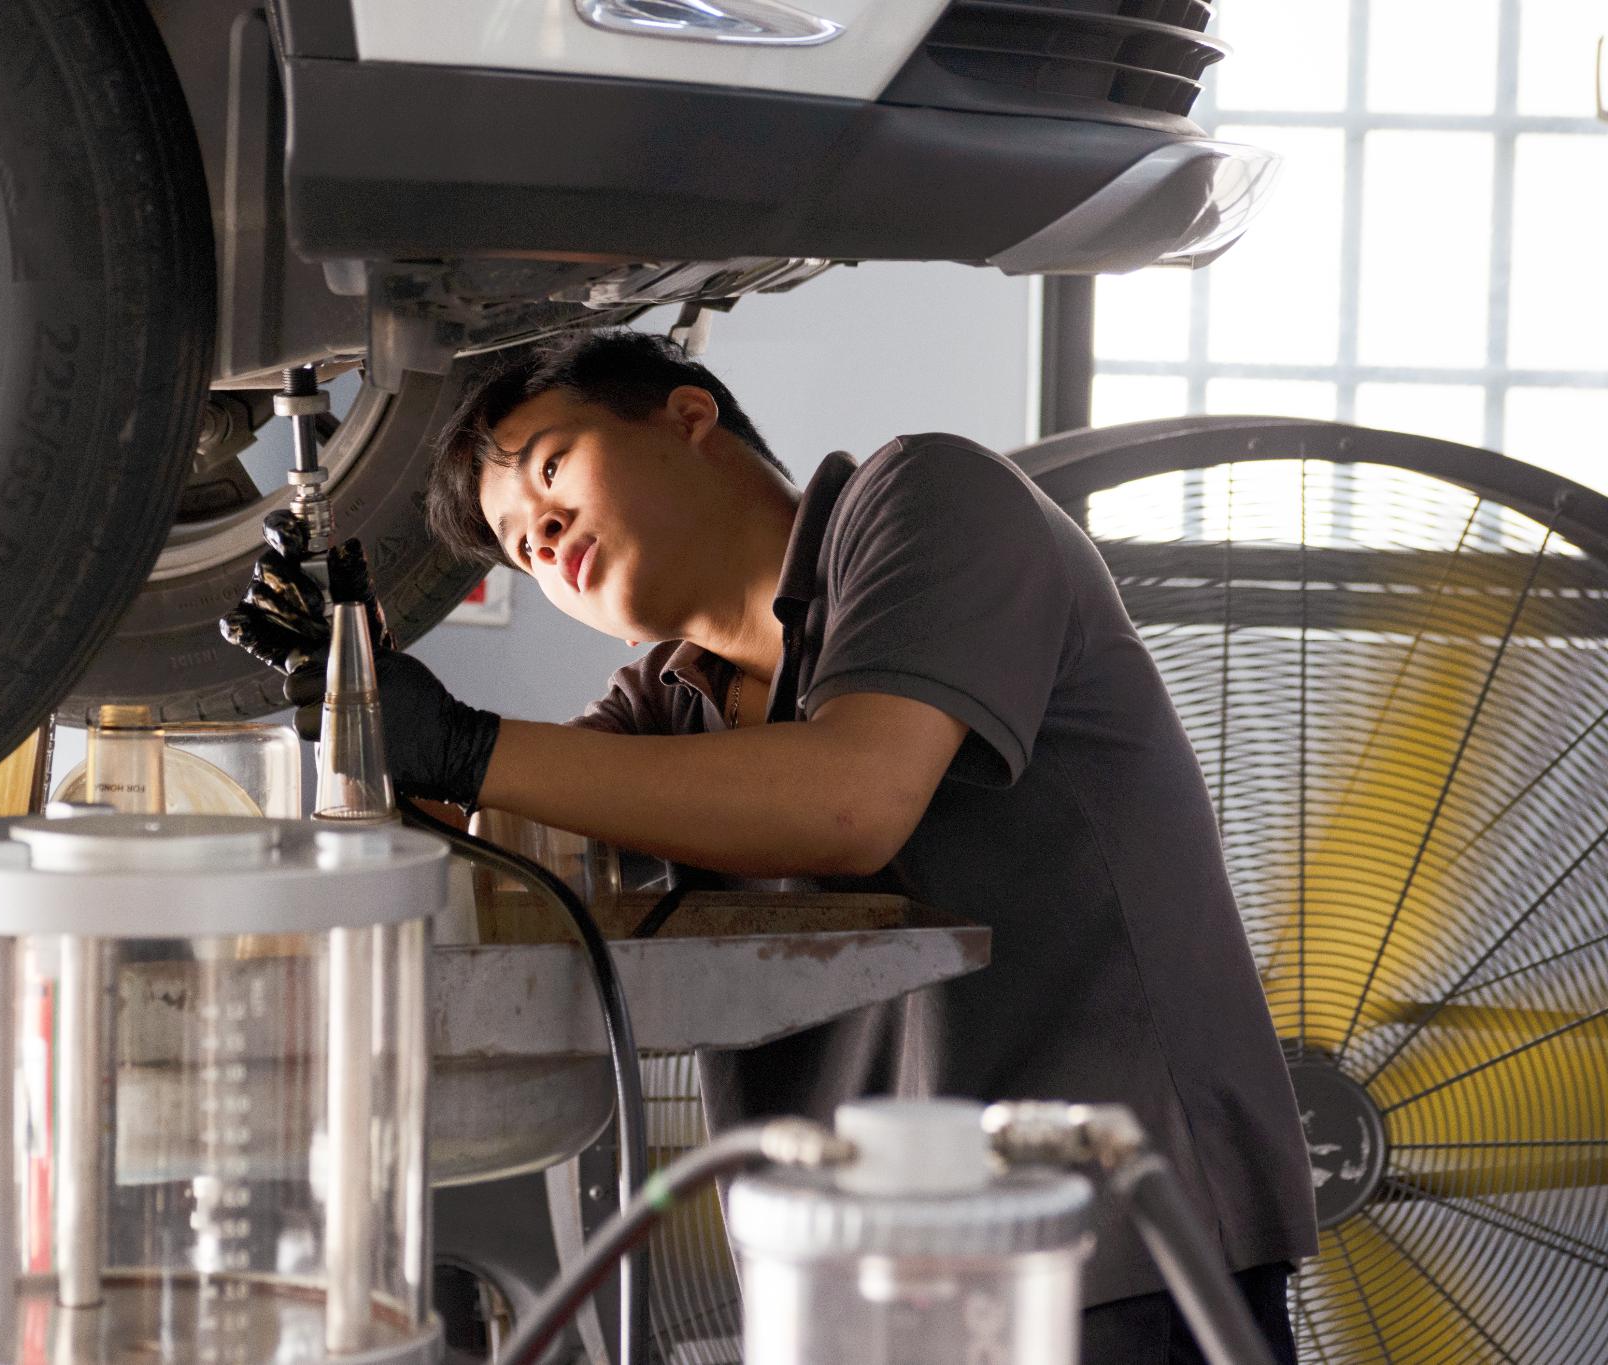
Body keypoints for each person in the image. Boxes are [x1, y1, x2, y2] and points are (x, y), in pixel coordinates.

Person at [225, 329, 1318, 1361]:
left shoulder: (927, 500)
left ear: (687, 414)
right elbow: (468, 865)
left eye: (552, 472)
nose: (544, 540)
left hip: (1097, 1244)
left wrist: (460, 744)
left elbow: (850, 799)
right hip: (857, 1279)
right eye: (520, 548)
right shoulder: (662, 704)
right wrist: (351, 691)